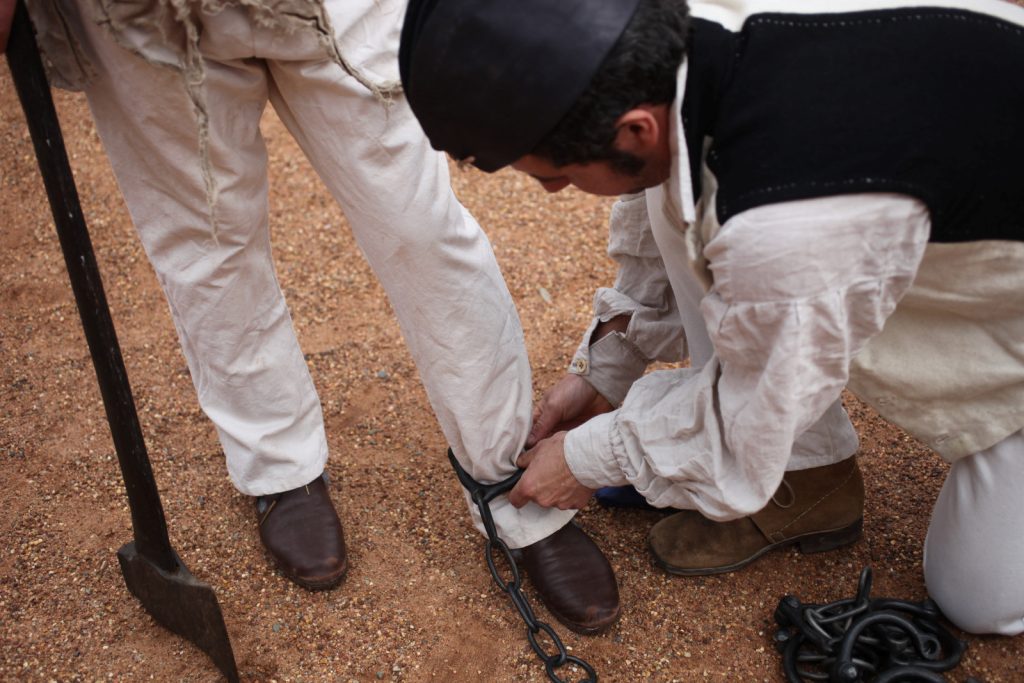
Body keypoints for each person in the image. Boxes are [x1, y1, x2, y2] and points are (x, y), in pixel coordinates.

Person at [399, 0, 1024, 635]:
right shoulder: (674, 49)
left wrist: (587, 459)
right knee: (694, 200)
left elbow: (751, 420)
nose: (556, 190)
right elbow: (666, 210)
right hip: (938, 203)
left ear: (637, 129)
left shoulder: (785, 221)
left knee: (978, 598)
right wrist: (605, 371)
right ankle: (810, 483)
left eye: (556, 174)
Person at [5, 0, 619, 632]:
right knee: (207, 242)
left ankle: (510, 483)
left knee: (422, 228)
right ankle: (280, 466)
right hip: (132, 16)